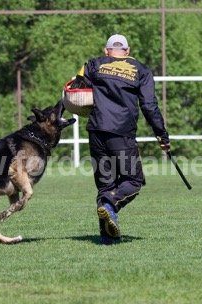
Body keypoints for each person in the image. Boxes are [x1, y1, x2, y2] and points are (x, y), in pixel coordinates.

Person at [71, 34, 170, 245]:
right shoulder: (141, 71)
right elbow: (150, 106)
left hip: (96, 132)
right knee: (133, 181)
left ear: (107, 51)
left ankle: (107, 238)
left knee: (105, 185)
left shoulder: (93, 64)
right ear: (127, 51)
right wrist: (161, 135)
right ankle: (110, 204)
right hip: (122, 134)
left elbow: (74, 87)